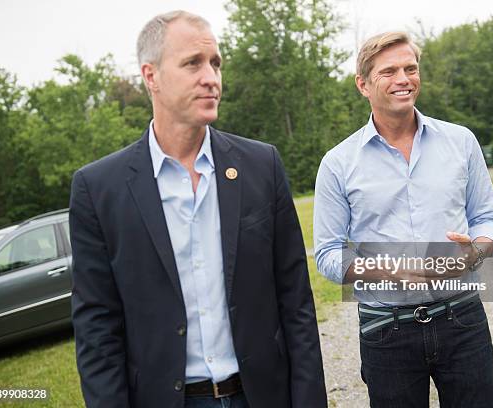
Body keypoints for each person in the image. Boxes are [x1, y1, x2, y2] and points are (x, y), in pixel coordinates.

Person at [70, 10, 326, 408]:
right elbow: (96, 328)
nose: (211, 77)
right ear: (150, 76)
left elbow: (296, 304)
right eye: (193, 63)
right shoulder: (98, 189)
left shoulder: (262, 165)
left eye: (216, 64)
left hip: (259, 395)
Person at [314, 31, 493, 407]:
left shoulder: (461, 142)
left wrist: (474, 254)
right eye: (389, 71)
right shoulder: (337, 163)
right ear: (363, 84)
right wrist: (390, 269)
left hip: (463, 318)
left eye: (410, 68)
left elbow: (488, 222)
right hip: (386, 330)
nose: (404, 79)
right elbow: (327, 254)